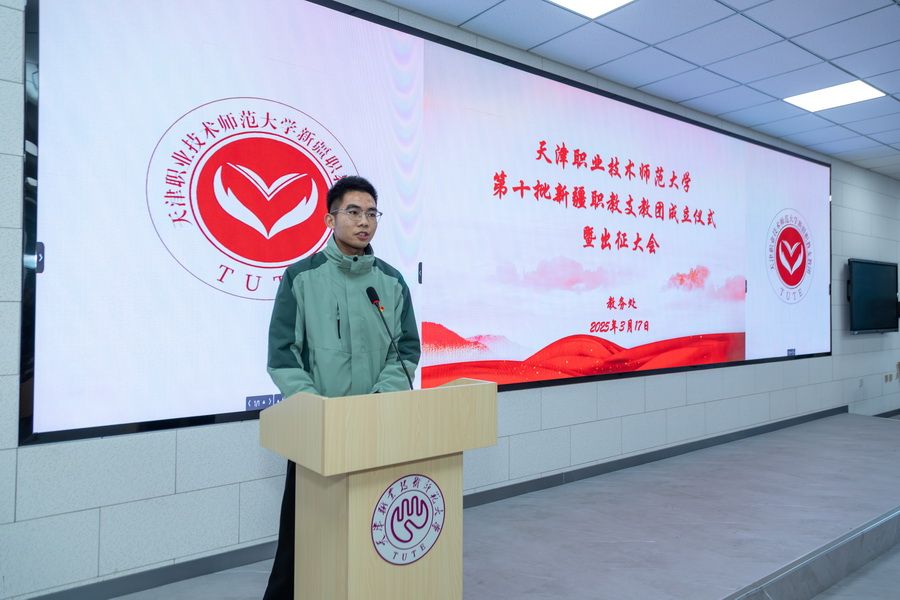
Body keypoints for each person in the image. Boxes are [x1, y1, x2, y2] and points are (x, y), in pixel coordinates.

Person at [262, 175, 420, 600]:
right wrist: (320, 413)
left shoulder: (391, 281)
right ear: (330, 219)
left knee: (372, 530)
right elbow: (283, 354)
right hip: (319, 433)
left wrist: (380, 400)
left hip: (377, 428)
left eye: (371, 213)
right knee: (302, 539)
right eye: (353, 212)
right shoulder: (302, 277)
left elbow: (406, 348)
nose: (364, 222)